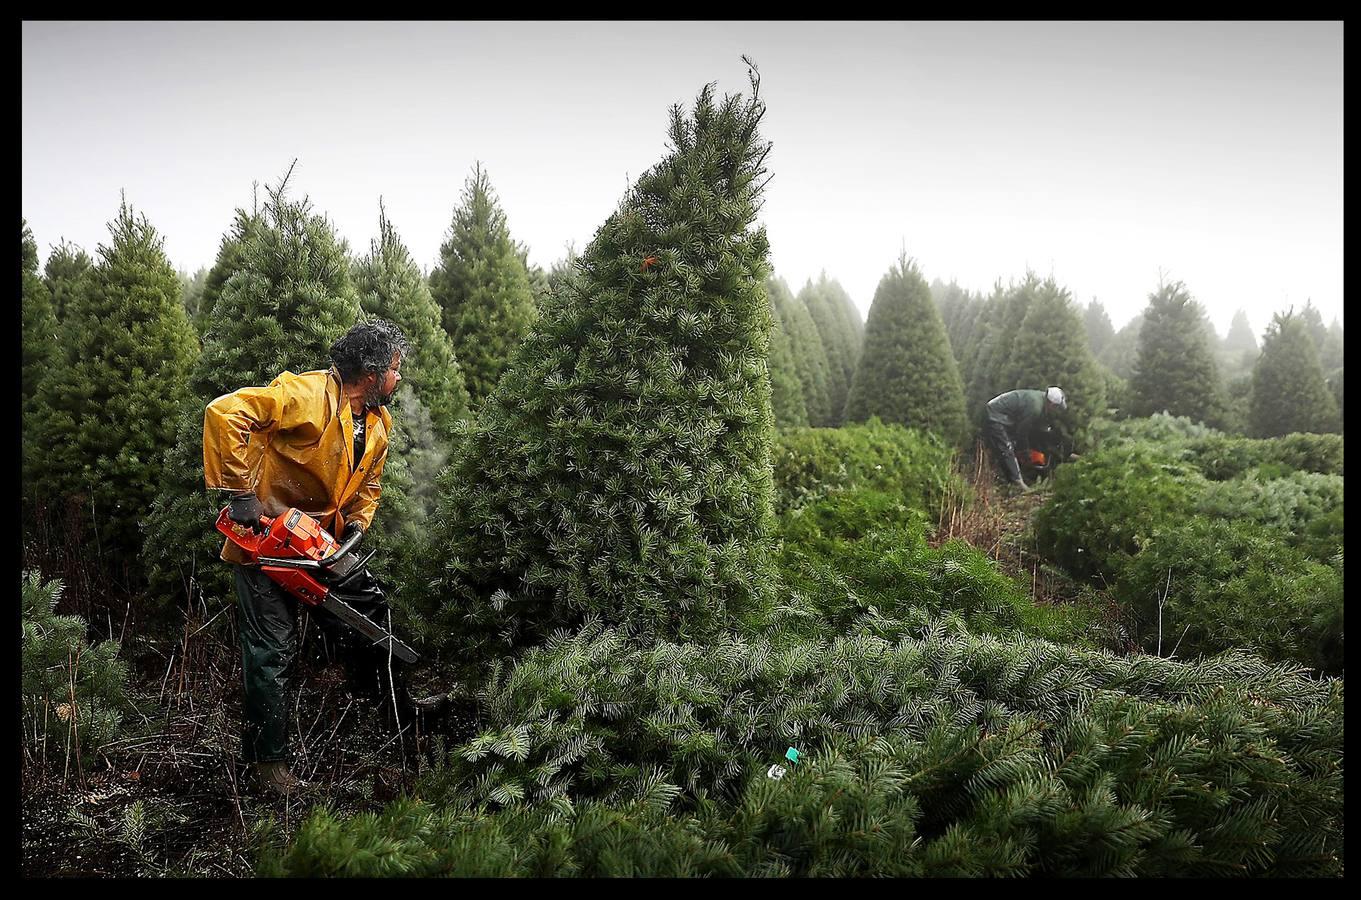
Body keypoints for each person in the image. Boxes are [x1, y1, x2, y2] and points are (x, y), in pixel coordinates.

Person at [203, 317, 440, 795]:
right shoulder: (305, 396)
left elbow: (368, 485)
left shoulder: (376, 421)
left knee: (371, 610)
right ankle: (268, 764)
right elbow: (224, 412)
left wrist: (357, 523)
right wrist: (240, 494)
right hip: (267, 544)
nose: (399, 379)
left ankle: (391, 705)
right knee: (273, 652)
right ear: (372, 373)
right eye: (395, 369)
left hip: (323, 544)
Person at [983, 386, 1067, 491]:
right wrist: (1025, 451)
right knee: (1007, 447)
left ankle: (1010, 476)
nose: (1056, 411)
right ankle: (1017, 482)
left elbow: (1039, 427)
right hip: (996, 414)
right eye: (1057, 407)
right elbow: (1021, 432)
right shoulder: (1035, 407)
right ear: (1051, 404)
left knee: (1015, 445)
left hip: (1008, 416)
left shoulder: (1042, 401)